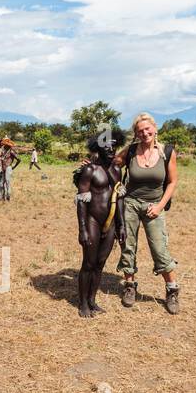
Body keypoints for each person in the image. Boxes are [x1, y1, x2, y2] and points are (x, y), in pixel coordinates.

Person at [115, 113, 180, 313]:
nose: (144, 133)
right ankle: (129, 286)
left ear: (155, 128)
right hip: (131, 204)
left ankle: (172, 290)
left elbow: (172, 182)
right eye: (139, 131)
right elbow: (113, 163)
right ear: (135, 134)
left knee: (159, 249)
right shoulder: (131, 151)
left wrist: (159, 206)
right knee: (128, 245)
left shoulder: (167, 152)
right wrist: (91, 162)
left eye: (147, 129)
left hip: (154, 206)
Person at [74, 128, 127, 317]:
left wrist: (121, 226)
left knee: (100, 263)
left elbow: (119, 198)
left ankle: (92, 300)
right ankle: (82, 304)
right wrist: (83, 230)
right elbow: (81, 200)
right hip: (92, 221)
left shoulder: (117, 170)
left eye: (114, 147)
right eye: (107, 147)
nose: (111, 150)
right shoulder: (90, 170)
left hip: (111, 222)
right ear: (99, 148)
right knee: (88, 263)